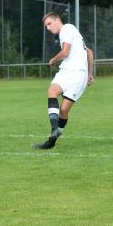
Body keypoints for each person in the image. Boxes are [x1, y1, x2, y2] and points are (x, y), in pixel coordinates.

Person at [32, 12, 94, 150]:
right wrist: (91, 74)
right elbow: (89, 52)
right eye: (46, 26)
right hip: (66, 71)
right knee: (52, 91)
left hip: (78, 75)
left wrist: (53, 60)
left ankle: (52, 140)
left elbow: (65, 52)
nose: (48, 28)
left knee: (64, 110)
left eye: (49, 24)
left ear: (57, 20)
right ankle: (54, 131)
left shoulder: (66, 28)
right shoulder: (72, 32)